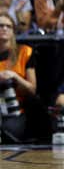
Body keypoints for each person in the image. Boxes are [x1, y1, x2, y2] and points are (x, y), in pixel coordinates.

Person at [0, 12, 37, 142]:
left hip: (16, 110)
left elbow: (32, 89)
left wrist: (15, 76)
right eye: (0, 25)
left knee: (8, 132)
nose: (4, 28)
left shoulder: (25, 52)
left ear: (13, 31)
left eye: (8, 26)